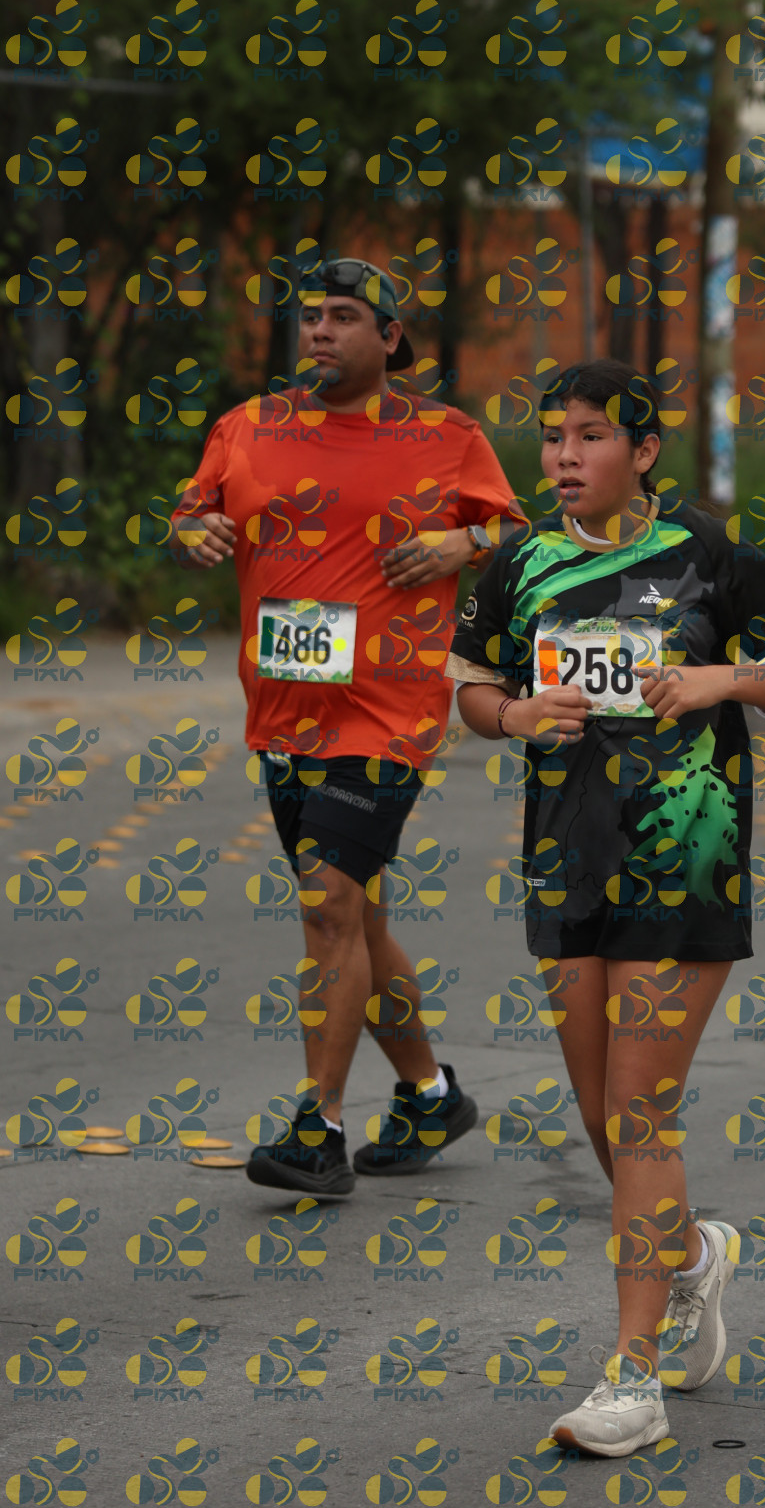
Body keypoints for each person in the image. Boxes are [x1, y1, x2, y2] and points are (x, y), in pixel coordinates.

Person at [446, 359, 765, 1457]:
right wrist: (513, 715)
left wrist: (725, 680)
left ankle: (633, 1377)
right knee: (600, 1115)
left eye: (590, 436)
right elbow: (467, 685)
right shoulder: (517, 562)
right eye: (553, 437)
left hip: (687, 859)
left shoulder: (708, 553)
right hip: (567, 861)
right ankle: (696, 1256)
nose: (564, 456)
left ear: (644, 450)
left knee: (636, 1113)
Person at [169, 256, 520, 1197]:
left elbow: (516, 529)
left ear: (389, 337)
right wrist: (192, 531)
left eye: (342, 315)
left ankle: (317, 1129)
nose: (319, 329)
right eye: (311, 316)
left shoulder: (447, 435)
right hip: (283, 714)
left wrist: (460, 541)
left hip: (389, 712)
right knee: (355, 917)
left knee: (326, 903)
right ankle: (430, 1094)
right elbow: (193, 510)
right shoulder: (248, 425)